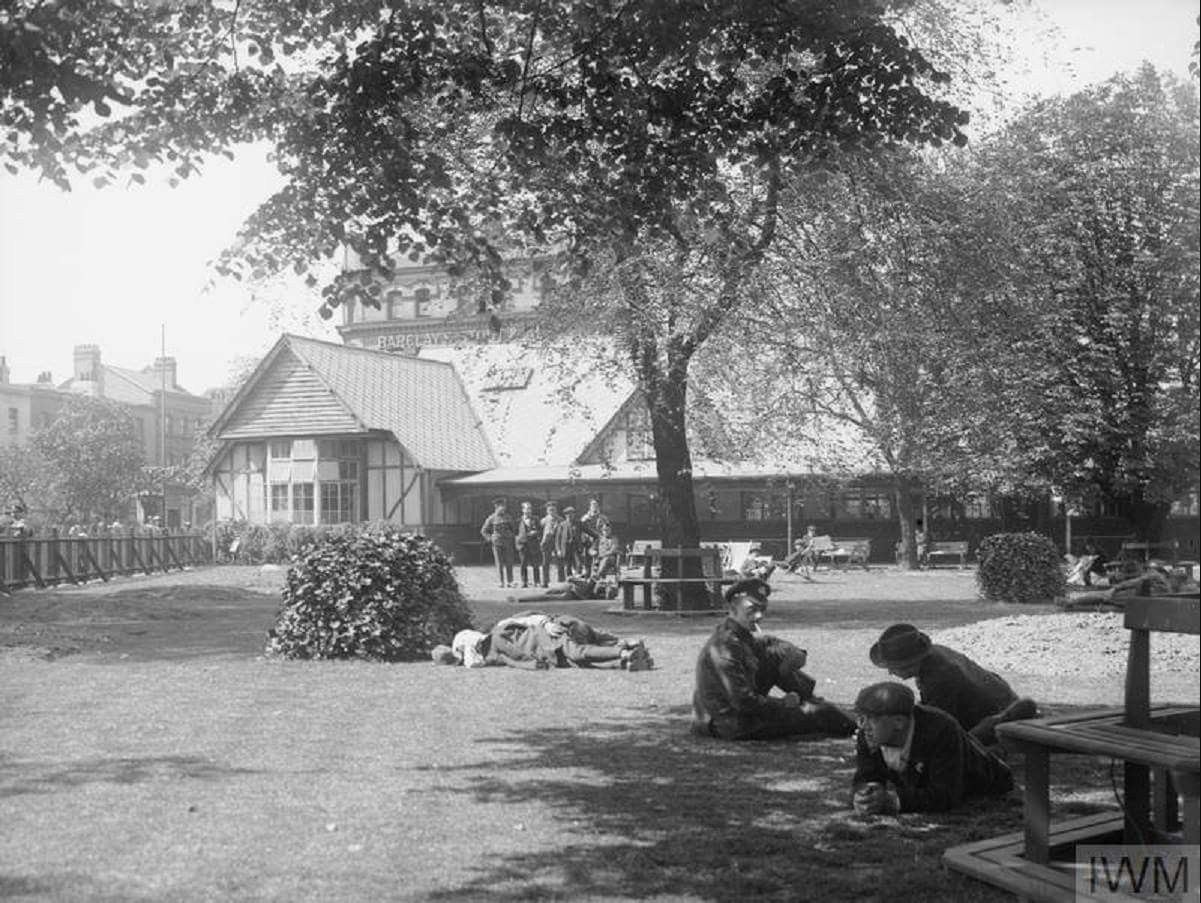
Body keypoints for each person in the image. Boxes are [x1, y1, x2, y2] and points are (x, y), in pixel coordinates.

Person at [692, 578, 857, 740]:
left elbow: (771, 645)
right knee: (820, 713)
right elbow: (743, 701)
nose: (759, 616)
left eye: (762, 609)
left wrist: (796, 653)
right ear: (733, 608)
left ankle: (809, 698)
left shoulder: (741, 637)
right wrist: (783, 704)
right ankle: (862, 730)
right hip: (732, 723)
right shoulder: (725, 646)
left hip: (737, 716)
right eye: (751, 609)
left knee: (772, 656)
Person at [851, 681, 1013, 815]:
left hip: (984, 779)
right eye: (861, 718)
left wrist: (892, 801)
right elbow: (866, 775)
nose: (863, 726)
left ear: (899, 722)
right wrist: (864, 795)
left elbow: (946, 794)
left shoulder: (940, 729)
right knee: (979, 736)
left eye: (871, 719)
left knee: (990, 745)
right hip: (929, 773)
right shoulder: (869, 733)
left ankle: (1011, 721)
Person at [868, 623, 1038, 746]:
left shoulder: (940, 676)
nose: (890, 673)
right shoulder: (934, 657)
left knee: (950, 748)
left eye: (893, 667)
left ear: (910, 663)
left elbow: (937, 725)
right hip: (996, 704)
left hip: (995, 717)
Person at [435, 613, 652, 670]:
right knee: (577, 661)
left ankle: (624, 652)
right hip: (551, 643)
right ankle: (629, 657)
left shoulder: (500, 629)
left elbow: (530, 618)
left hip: (554, 634)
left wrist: (546, 623)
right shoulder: (494, 647)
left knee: (577, 653)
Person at [480, 498, 518, 588]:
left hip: (508, 542)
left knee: (509, 562)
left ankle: (510, 581)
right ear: (496, 507)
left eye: (504, 507)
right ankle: (501, 581)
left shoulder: (508, 517)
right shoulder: (491, 518)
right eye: (501, 507)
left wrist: (511, 536)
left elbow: (514, 529)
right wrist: (490, 538)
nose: (503, 508)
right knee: (499, 563)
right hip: (497, 543)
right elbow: (483, 531)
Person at [514, 501, 543, 589]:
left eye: (530, 508)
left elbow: (541, 530)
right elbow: (515, 533)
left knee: (535, 564)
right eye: (527, 508)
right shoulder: (518, 521)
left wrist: (536, 532)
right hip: (523, 545)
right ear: (523, 510)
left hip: (533, 544)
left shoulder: (536, 519)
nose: (529, 510)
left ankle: (537, 581)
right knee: (523, 564)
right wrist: (518, 542)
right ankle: (524, 581)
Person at [579, 498, 611, 575]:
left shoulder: (603, 518)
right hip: (588, 541)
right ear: (590, 506)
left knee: (599, 559)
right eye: (593, 505)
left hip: (599, 541)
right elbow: (581, 530)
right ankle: (587, 574)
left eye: (596, 505)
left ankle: (597, 575)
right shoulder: (585, 518)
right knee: (587, 559)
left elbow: (608, 529)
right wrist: (583, 539)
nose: (594, 507)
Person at [539, 502, 565, 587]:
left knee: (560, 562)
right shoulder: (543, 520)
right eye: (550, 510)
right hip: (547, 542)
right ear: (547, 511)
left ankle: (561, 581)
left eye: (553, 510)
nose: (552, 512)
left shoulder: (560, 520)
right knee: (545, 562)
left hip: (557, 542)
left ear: (556, 510)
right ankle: (545, 581)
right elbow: (540, 532)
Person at [557, 506, 584, 577]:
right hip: (566, 547)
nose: (570, 516)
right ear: (565, 515)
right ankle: (569, 579)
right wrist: (558, 550)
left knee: (579, 563)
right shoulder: (562, 524)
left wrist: (598, 536)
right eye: (568, 514)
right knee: (568, 565)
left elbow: (588, 531)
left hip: (576, 546)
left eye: (572, 514)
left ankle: (578, 578)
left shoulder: (578, 523)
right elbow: (558, 539)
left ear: (574, 515)